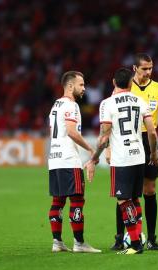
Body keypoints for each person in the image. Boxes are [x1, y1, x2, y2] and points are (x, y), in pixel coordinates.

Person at [86, 67, 158, 255]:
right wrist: (153, 153)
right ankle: (139, 239)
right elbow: (151, 131)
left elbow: (104, 137)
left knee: (123, 201)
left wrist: (94, 159)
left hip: (122, 158)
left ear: (113, 82)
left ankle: (135, 244)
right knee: (135, 199)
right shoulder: (140, 101)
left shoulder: (107, 104)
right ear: (131, 83)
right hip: (139, 156)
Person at [108, 53, 158, 250]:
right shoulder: (126, 87)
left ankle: (152, 238)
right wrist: (111, 147)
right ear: (134, 68)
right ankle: (120, 237)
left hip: (148, 140)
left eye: (151, 68)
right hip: (126, 140)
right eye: (145, 68)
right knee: (125, 192)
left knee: (150, 190)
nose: (148, 72)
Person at [48, 71, 101, 253]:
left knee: (58, 202)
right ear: (70, 86)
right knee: (77, 200)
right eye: (81, 84)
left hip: (54, 160)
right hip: (69, 160)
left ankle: (57, 242)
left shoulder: (55, 106)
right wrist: (90, 149)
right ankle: (79, 243)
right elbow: (71, 131)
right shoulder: (72, 106)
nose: (84, 88)